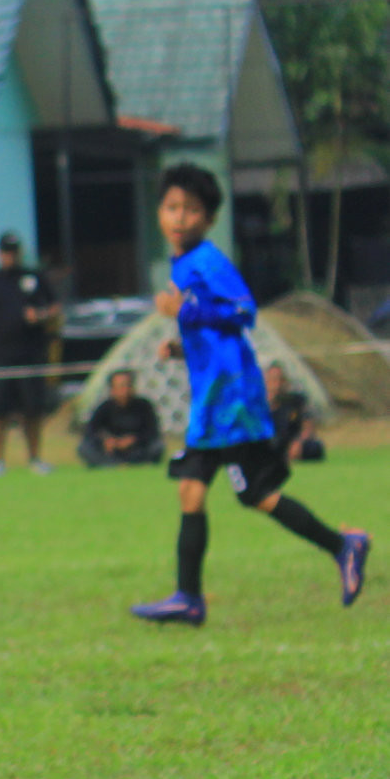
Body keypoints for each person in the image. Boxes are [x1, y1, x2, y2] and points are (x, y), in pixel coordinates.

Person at [130, 164, 368, 625]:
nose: (180, 217)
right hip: (213, 402)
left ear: (209, 218)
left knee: (253, 493)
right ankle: (188, 597)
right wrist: (182, 346)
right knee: (193, 493)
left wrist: (186, 311)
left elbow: (243, 312)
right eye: (172, 207)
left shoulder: (207, 261)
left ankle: (344, 546)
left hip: (232, 405)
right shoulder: (185, 263)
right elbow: (216, 333)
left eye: (192, 209)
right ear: (159, 213)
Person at [0, 231, 57, 475]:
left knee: (32, 409)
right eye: (6, 252)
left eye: (14, 251)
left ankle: (35, 458)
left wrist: (39, 316)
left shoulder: (34, 277)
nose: (10, 256)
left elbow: (55, 308)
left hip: (30, 355)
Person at [77, 369, 163, 467]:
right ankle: (111, 464)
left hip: (136, 449)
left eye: (128, 385)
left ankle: (136, 463)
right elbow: (91, 430)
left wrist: (134, 440)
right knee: (84, 448)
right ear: (112, 389)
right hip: (111, 450)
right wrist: (106, 441)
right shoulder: (104, 408)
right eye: (121, 386)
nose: (125, 389)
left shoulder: (143, 406)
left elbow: (152, 431)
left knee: (157, 447)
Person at [267, 362, 325, 462]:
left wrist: (299, 442)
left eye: (281, 380)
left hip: (292, 441)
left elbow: (307, 425)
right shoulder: (257, 403)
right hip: (270, 442)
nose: (277, 384)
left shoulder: (295, 401)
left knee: (315, 447)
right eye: (273, 380)